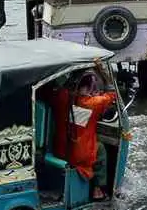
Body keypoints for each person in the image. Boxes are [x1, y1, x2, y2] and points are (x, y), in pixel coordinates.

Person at [50, 70, 117, 201]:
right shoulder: (93, 103)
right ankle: (97, 190)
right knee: (101, 148)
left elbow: (53, 92)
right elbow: (112, 94)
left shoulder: (61, 97)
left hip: (59, 149)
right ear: (88, 88)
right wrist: (104, 73)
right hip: (79, 155)